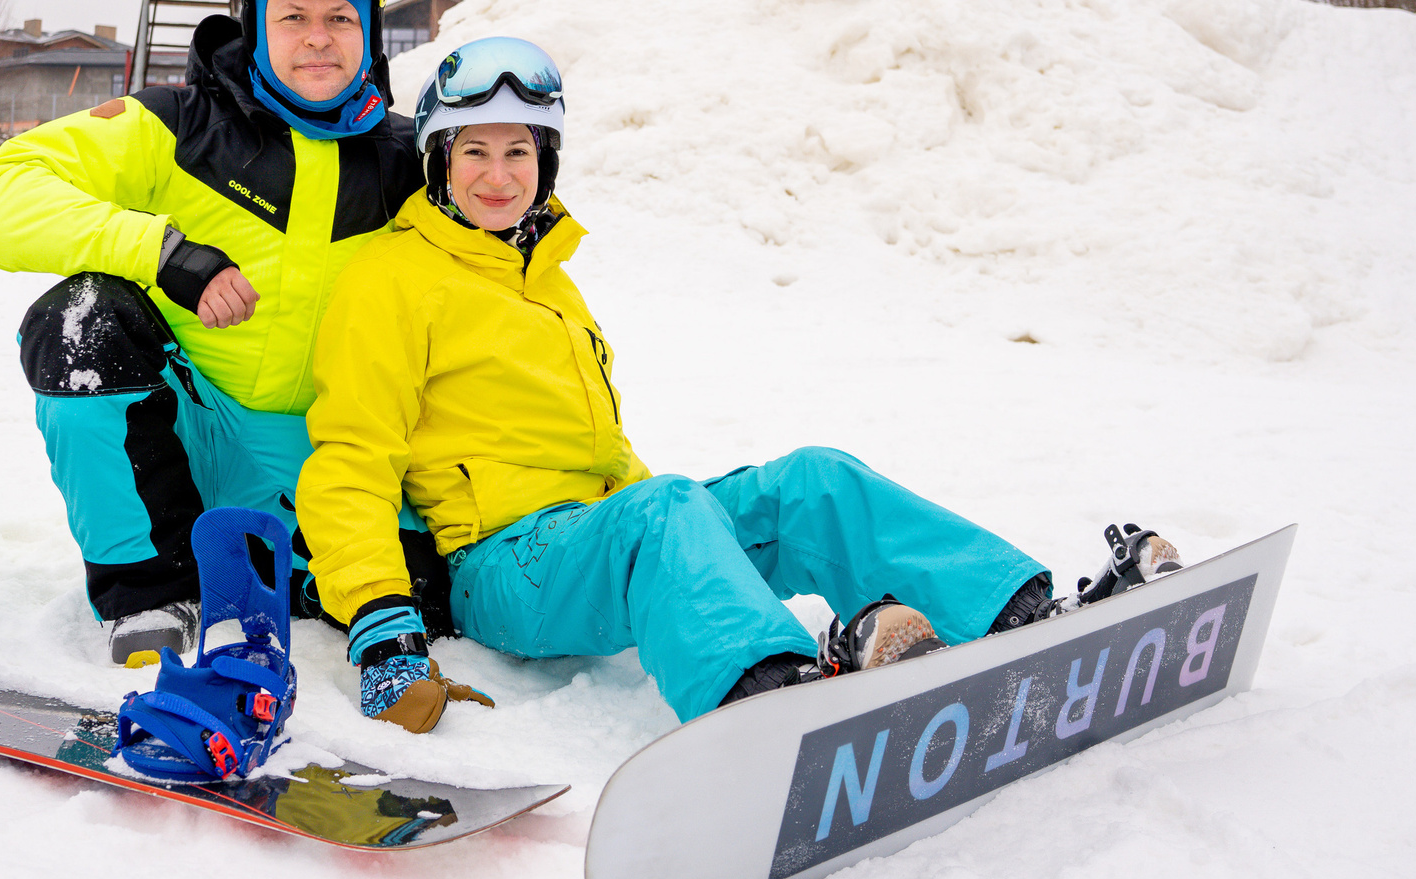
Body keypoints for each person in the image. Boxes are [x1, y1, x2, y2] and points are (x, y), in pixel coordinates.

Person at [297, 36, 1178, 732]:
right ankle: (769, 696)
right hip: (502, 566)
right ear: (438, 160)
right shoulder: (392, 277)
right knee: (665, 507)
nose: (498, 175)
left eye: (518, 150)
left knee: (813, 481)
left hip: (601, 534)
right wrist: (381, 623)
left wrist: (683, 538)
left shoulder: (547, 281)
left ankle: (1016, 616)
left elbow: (602, 453)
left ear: (546, 161)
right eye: (475, 151)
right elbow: (349, 458)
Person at [0, 0, 428, 666]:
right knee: (81, 320)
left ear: (371, 30)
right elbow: (0, 195)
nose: (317, 37)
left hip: (334, 472)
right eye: (293, 16)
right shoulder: (176, 124)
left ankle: (284, 565)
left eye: (341, 17)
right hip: (192, 436)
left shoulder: (414, 162)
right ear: (254, 22)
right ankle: (149, 589)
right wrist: (163, 252)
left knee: (433, 600)